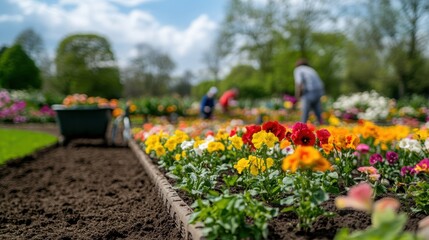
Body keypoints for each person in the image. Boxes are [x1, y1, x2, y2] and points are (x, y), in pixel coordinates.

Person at [293, 58, 325, 124]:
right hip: (319, 91)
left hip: (309, 91)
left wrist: (297, 97)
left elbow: (299, 83)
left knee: (305, 112)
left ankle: (302, 127)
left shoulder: (298, 69)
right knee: (318, 112)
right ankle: (323, 126)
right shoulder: (310, 69)